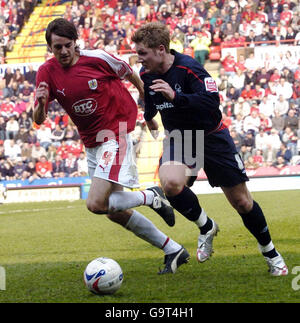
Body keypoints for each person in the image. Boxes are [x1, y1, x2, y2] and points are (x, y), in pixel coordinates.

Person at [33, 18, 188, 275]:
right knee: (113, 211)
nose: (62, 51)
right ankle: (173, 249)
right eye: (56, 47)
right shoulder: (46, 72)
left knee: (95, 203)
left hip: (115, 133)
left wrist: (147, 109)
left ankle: (150, 196)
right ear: (50, 47)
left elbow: (130, 73)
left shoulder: (98, 58)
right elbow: (38, 119)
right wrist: (39, 104)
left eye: (67, 45)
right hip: (91, 142)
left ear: (75, 43)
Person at [131, 22, 288, 276]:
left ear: (161, 49)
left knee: (242, 202)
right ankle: (206, 227)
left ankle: (271, 253)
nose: (139, 58)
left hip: (212, 137)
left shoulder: (189, 68)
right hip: (180, 138)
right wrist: (149, 117)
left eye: (142, 53)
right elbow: (150, 102)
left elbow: (212, 102)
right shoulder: (147, 74)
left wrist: (176, 97)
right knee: (169, 184)